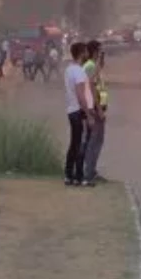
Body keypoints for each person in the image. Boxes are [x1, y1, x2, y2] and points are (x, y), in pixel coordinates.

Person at [63, 41, 95, 186]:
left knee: (74, 144)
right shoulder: (80, 71)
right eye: (85, 51)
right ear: (82, 53)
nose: (87, 53)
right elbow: (81, 94)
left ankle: (69, 175)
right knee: (81, 144)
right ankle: (79, 177)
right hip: (78, 111)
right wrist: (88, 114)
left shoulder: (69, 69)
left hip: (71, 110)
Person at [82, 43, 109, 185]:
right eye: (99, 50)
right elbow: (91, 87)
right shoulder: (90, 66)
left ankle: (91, 171)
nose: (101, 52)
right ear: (94, 51)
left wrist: (101, 59)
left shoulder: (92, 65)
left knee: (97, 141)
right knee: (93, 142)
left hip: (97, 108)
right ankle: (88, 173)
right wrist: (97, 109)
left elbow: (99, 70)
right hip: (94, 109)